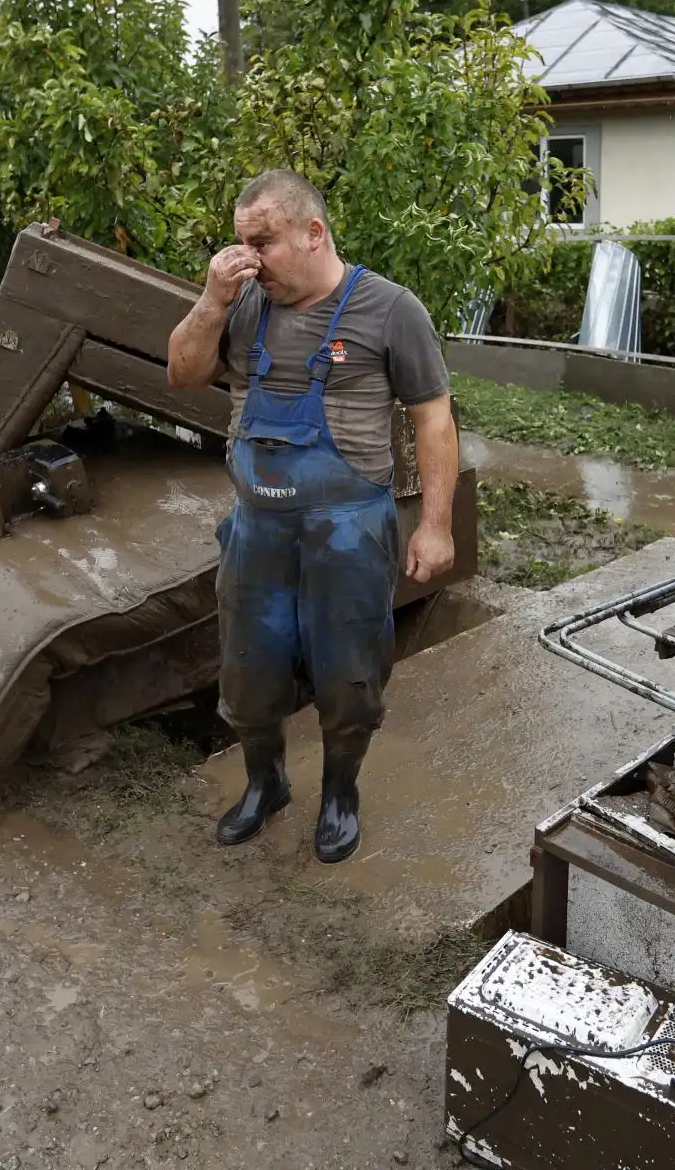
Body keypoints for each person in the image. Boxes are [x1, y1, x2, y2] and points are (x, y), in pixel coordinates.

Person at [166, 170, 458, 864]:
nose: (249, 259)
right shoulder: (241, 306)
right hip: (257, 530)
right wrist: (212, 297)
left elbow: (434, 420)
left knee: (349, 674)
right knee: (248, 669)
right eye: (240, 244)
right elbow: (181, 373)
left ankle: (339, 794)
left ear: (313, 232)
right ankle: (265, 784)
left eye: (261, 242)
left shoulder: (390, 310)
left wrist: (436, 525)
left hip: (350, 531)